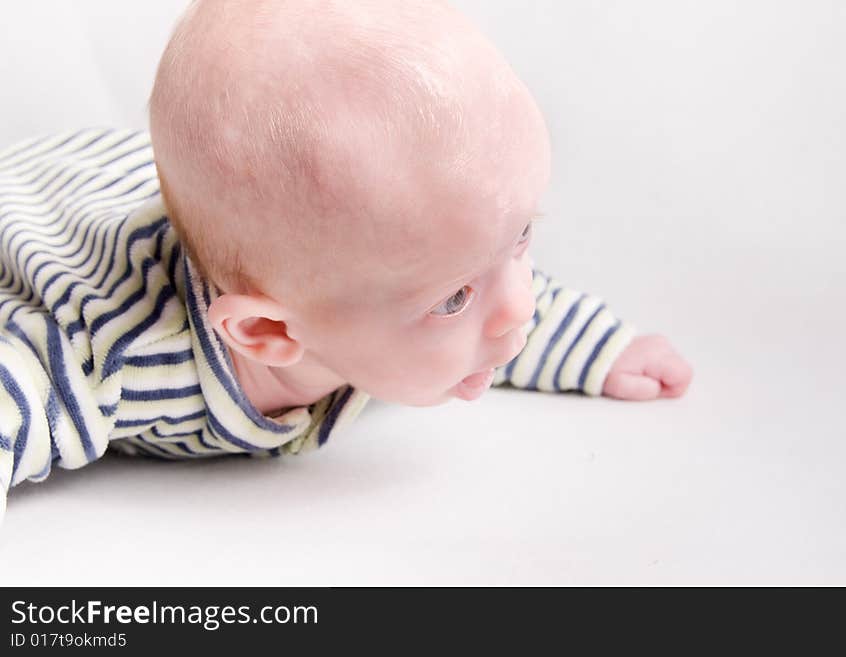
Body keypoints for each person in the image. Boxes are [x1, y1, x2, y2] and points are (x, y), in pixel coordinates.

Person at [0, 0, 692, 525]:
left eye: (521, 239)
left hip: (126, 177)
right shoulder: (114, 354)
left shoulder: (375, 274)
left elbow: (495, 298)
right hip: (33, 212)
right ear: (270, 334)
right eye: (453, 297)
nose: (519, 310)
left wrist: (602, 347)